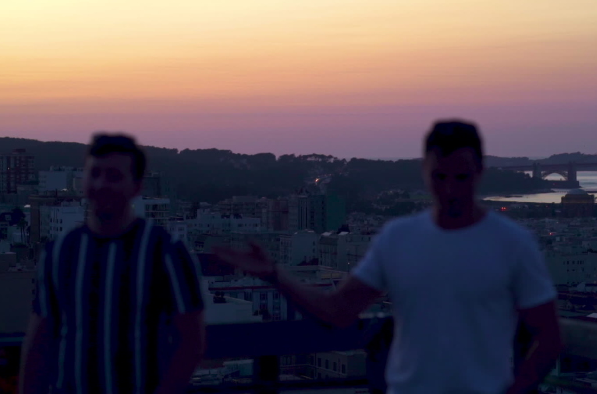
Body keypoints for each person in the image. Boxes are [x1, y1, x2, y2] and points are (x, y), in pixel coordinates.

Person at [214, 121, 563, 394]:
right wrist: (275, 275)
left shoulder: (512, 243)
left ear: (480, 173)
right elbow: (339, 311)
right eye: (440, 176)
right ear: (425, 172)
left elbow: (549, 336)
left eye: (461, 177)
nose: (450, 189)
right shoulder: (399, 238)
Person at [20, 134, 205, 394]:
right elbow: (40, 339)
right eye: (94, 174)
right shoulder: (60, 251)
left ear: (137, 186)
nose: (101, 184)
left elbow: (191, 342)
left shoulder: (166, 252)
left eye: (114, 176)